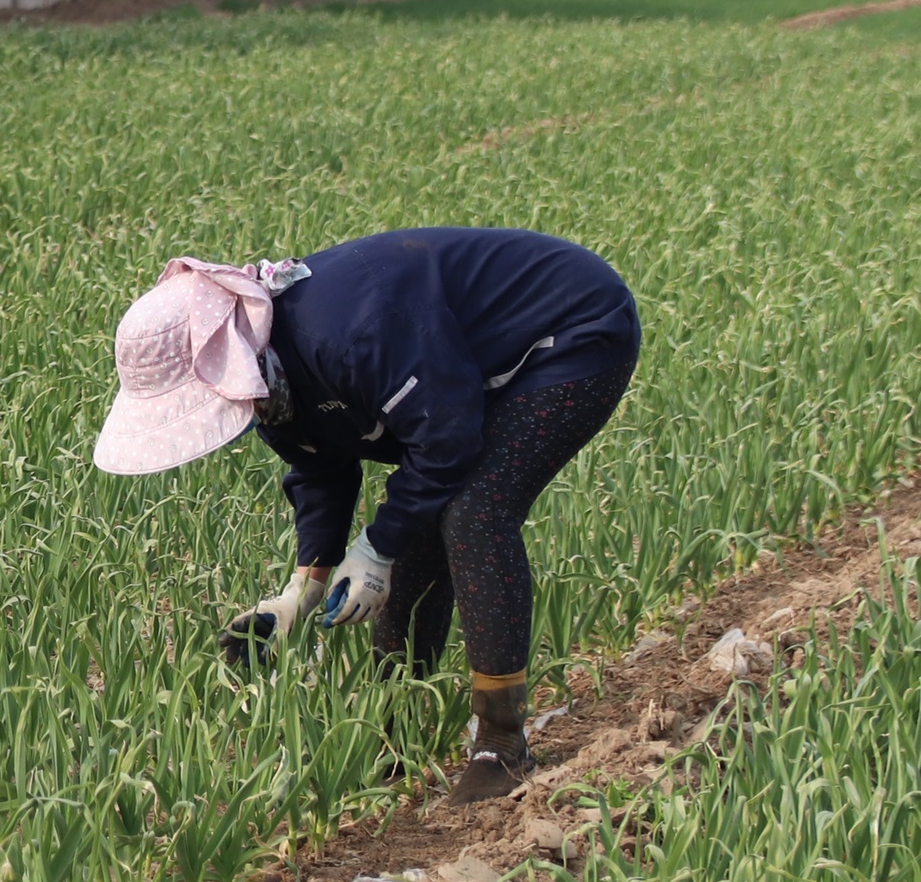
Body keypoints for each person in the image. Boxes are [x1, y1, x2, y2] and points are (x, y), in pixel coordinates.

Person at [93, 228, 640, 802]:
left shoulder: (346, 334)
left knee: (473, 511)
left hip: (570, 327)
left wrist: (377, 549)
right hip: (459, 373)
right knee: (424, 512)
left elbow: (446, 441)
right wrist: (302, 591)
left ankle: (501, 743)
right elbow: (319, 469)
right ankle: (396, 733)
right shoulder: (267, 372)